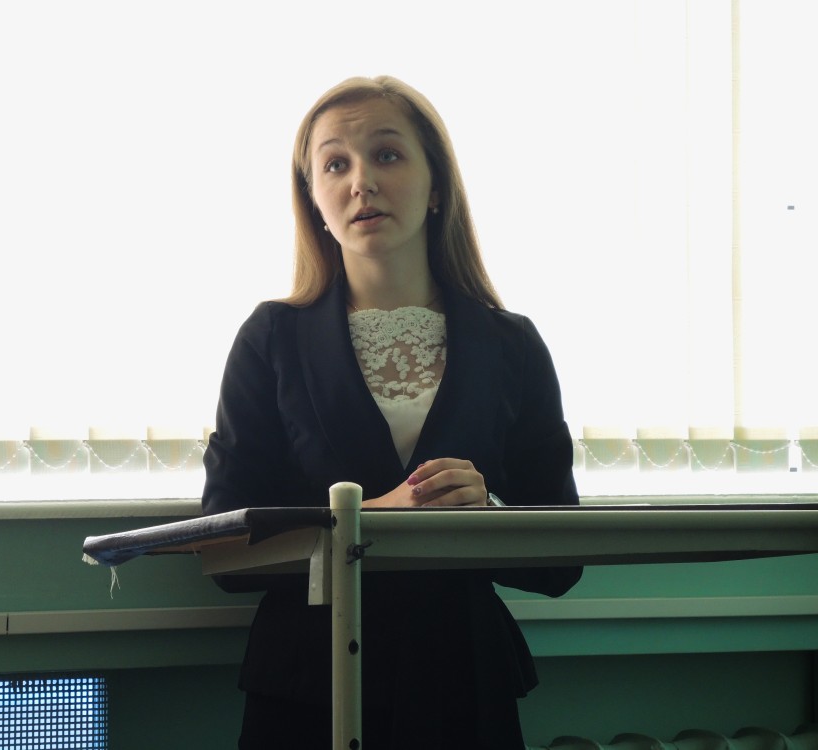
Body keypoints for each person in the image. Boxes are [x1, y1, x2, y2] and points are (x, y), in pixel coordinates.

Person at [202, 75, 582, 750]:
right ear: (313, 199)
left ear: (436, 186)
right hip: (307, 686)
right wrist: (370, 517)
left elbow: (560, 562)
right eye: (335, 165)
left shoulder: (512, 344)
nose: (362, 183)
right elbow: (224, 550)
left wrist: (488, 516)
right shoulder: (270, 338)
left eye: (387, 155)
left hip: (463, 685)